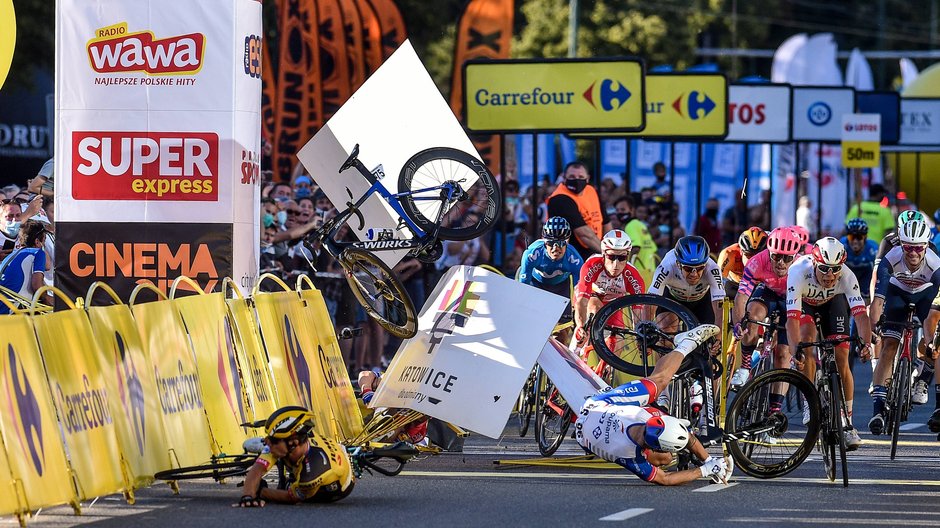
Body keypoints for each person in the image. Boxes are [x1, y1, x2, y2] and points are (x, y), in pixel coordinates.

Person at [575, 324, 733, 486]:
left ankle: (685, 344)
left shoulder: (644, 422)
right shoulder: (630, 454)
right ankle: (686, 344)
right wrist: (706, 469)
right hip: (593, 423)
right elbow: (664, 479)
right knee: (666, 458)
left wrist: (709, 460)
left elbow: (684, 444)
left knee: (658, 382)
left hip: (598, 409)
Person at [784, 237, 873, 450]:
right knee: (806, 342)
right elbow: (792, 320)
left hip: (834, 304)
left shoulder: (847, 276)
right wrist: (796, 351)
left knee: (842, 359)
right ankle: (809, 403)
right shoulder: (798, 272)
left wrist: (866, 344)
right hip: (805, 305)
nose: (830, 275)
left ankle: (847, 422)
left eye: (835, 269)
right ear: (814, 263)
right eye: (824, 269)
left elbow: (860, 316)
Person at [868, 219, 940, 435]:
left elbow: (934, 310)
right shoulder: (890, 259)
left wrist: (932, 342)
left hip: (925, 294)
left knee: (932, 339)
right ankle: (878, 410)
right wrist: (873, 328)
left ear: (926, 246)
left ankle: (924, 377)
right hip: (897, 293)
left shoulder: (935, 265)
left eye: (918, 248)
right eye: (908, 247)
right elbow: (877, 300)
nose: (913, 253)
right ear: (901, 245)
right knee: (889, 344)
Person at [235, 406, 354, 507]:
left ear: (293, 443)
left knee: (288, 489)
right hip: (311, 451)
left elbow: (290, 498)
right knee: (275, 456)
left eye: (273, 441)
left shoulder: (311, 474)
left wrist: (262, 492)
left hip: (332, 488)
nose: (267, 443)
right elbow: (258, 468)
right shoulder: (292, 441)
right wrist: (248, 496)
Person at [730, 227, 803, 388]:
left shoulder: (803, 266)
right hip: (768, 292)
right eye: (776, 256)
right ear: (769, 253)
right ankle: (745, 367)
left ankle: (775, 409)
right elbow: (741, 298)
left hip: (792, 298)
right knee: (752, 316)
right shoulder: (756, 262)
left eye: (786, 258)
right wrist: (738, 324)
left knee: (783, 355)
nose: (781, 263)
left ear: (795, 256)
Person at [573, 230, 645, 345]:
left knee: (617, 343)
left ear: (628, 256)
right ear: (603, 254)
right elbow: (582, 301)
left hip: (612, 303)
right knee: (595, 312)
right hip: (591, 296)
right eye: (611, 257)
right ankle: (576, 349)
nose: (616, 264)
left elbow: (638, 316)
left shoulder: (634, 277)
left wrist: (641, 339)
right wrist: (580, 326)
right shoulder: (592, 265)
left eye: (621, 258)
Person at [647, 236, 723, 326]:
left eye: (699, 268)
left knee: (707, 334)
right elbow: (650, 300)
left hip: (701, 301)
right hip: (672, 298)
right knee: (667, 326)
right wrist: (646, 328)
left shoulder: (712, 269)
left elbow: (719, 305)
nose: (694, 274)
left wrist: (718, 336)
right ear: (678, 264)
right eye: (688, 268)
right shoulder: (667, 267)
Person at [546, 161, 611, 259]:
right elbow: (583, 233)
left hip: (595, 250)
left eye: (581, 177)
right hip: (569, 257)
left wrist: (610, 245)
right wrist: (608, 255)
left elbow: (606, 222)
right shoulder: (559, 199)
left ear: (587, 178)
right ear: (564, 178)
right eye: (572, 177)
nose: (577, 180)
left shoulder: (591, 191)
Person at [518, 217, 584, 309]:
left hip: (562, 286)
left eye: (561, 243)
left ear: (567, 242)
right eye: (550, 243)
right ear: (544, 242)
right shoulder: (532, 254)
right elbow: (523, 286)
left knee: (568, 318)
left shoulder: (574, 259)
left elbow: (579, 292)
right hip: (535, 283)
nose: (555, 248)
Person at [0, 221, 47, 314]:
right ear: (37, 242)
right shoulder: (38, 253)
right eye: (44, 241)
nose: (44, 245)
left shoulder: (10, 255)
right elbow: (37, 287)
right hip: (14, 312)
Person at [612, 195, 658, 285]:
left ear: (632, 210)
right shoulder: (640, 225)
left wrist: (624, 266)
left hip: (638, 272)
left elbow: (636, 247)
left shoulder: (630, 226)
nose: (619, 213)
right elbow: (653, 248)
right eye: (617, 210)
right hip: (650, 271)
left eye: (622, 210)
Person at [718, 227, 767, 300]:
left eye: (758, 256)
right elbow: (718, 282)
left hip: (761, 287)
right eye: (748, 255)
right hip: (735, 286)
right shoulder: (728, 254)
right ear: (741, 251)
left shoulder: (772, 257)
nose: (753, 260)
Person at [840, 218, 878, 304]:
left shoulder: (873, 249)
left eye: (859, 237)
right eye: (851, 237)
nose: (855, 241)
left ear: (865, 238)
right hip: (847, 276)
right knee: (842, 301)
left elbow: (878, 273)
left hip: (866, 276)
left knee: (863, 303)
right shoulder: (842, 246)